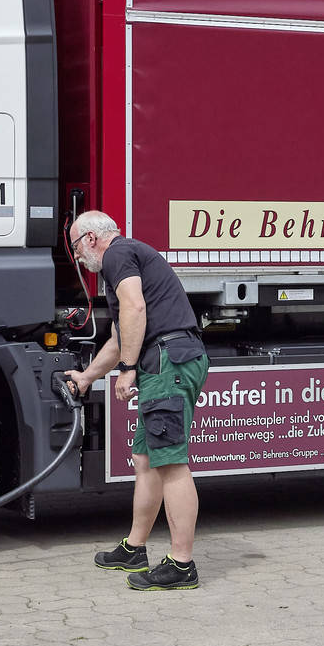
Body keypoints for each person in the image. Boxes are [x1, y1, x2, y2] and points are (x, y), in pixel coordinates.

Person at [62, 211, 205, 590]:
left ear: (91, 238)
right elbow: (118, 337)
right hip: (165, 360)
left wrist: (127, 370)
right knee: (146, 459)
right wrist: (88, 377)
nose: (77, 258)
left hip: (167, 362)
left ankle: (181, 565)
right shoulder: (125, 259)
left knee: (170, 462)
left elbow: (135, 310)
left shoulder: (116, 255)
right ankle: (134, 548)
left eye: (76, 247)